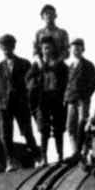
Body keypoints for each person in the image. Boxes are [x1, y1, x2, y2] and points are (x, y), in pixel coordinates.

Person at [0, 34, 38, 172]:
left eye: (9, 47)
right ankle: (10, 161)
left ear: (13, 47)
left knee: (27, 132)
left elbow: (31, 84)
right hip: (4, 106)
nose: (7, 50)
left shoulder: (24, 64)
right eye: (4, 48)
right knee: (6, 135)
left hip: (20, 103)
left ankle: (37, 156)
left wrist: (28, 101)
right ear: (1, 48)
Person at [29, 37, 69, 165]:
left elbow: (66, 79)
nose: (47, 50)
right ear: (41, 49)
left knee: (58, 128)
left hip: (56, 98)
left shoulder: (60, 64)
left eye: (49, 48)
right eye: (45, 48)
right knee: (43, 129)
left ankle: (60, 156)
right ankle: (44, 157)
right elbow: (28, 78)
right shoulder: (37, 65)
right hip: (43, 98)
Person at [64, 39, 95, 163]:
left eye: (78, 48)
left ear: (83, 49)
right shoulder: (71, 66)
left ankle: (83, 150)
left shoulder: (88, 65)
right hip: (71, 100)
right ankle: (75, 152)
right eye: (73, 48)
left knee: (82, 124)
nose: (75, 50)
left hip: (82, 100)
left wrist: (85, 95)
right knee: (70, 126)